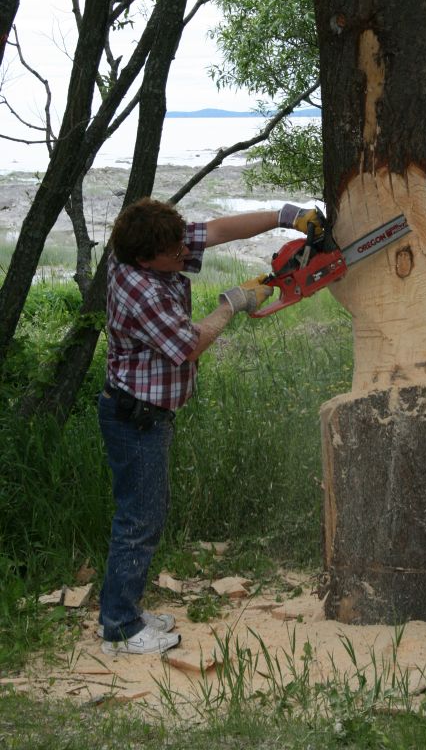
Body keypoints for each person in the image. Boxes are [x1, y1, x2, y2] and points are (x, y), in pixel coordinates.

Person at [97, 196, 322, 655]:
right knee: (139, 521)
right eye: (175, 254)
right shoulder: (140, 288)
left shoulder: (158, 246)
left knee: (144, 516)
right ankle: (119, 628)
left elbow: (218, 231)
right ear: (147, 258)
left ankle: (127, 612)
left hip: (147, 414)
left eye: (183, 246)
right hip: (134, 419)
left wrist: (284, 215)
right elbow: (190, 345)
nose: (184, 255)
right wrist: (233, 302)